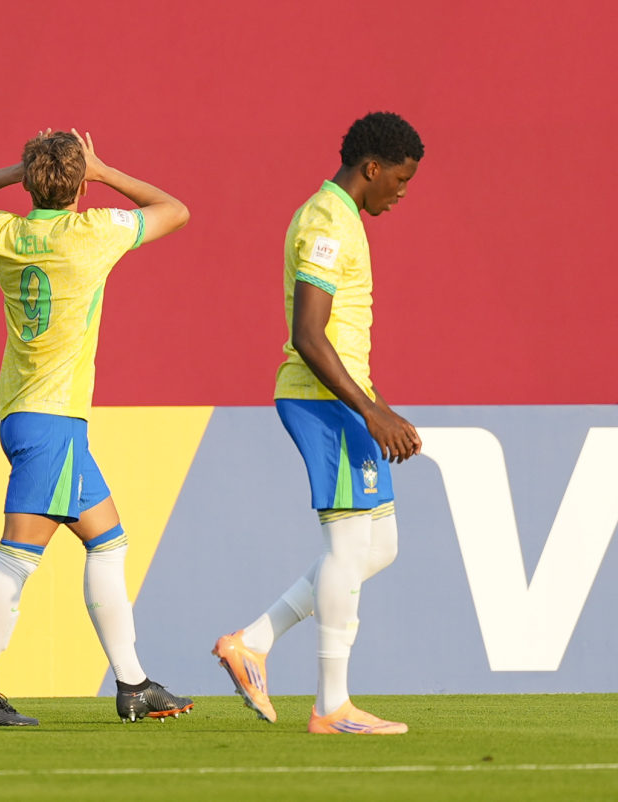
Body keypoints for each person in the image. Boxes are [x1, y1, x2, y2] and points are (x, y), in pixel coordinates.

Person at [0, 129, 193, 725]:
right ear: (80, 184)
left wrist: (17, 172)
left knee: (109, 542)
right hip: (52, 420)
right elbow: (174, 211)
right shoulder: (93, 234)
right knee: (15, 558)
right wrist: (103, 169)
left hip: (33, 416)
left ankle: (132, 683)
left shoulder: (5, 233)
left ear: (30, 183)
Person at [212, 111, 424, 735]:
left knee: (378, 546)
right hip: (323, 399)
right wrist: (371, 409)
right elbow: (308, 333)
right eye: (402, 180)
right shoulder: (327, 221)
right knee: (348, 547)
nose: (403, 192)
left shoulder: (342, 218)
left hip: (343, 397)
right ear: (372, 168)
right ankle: (332, 706)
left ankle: (252, 640)